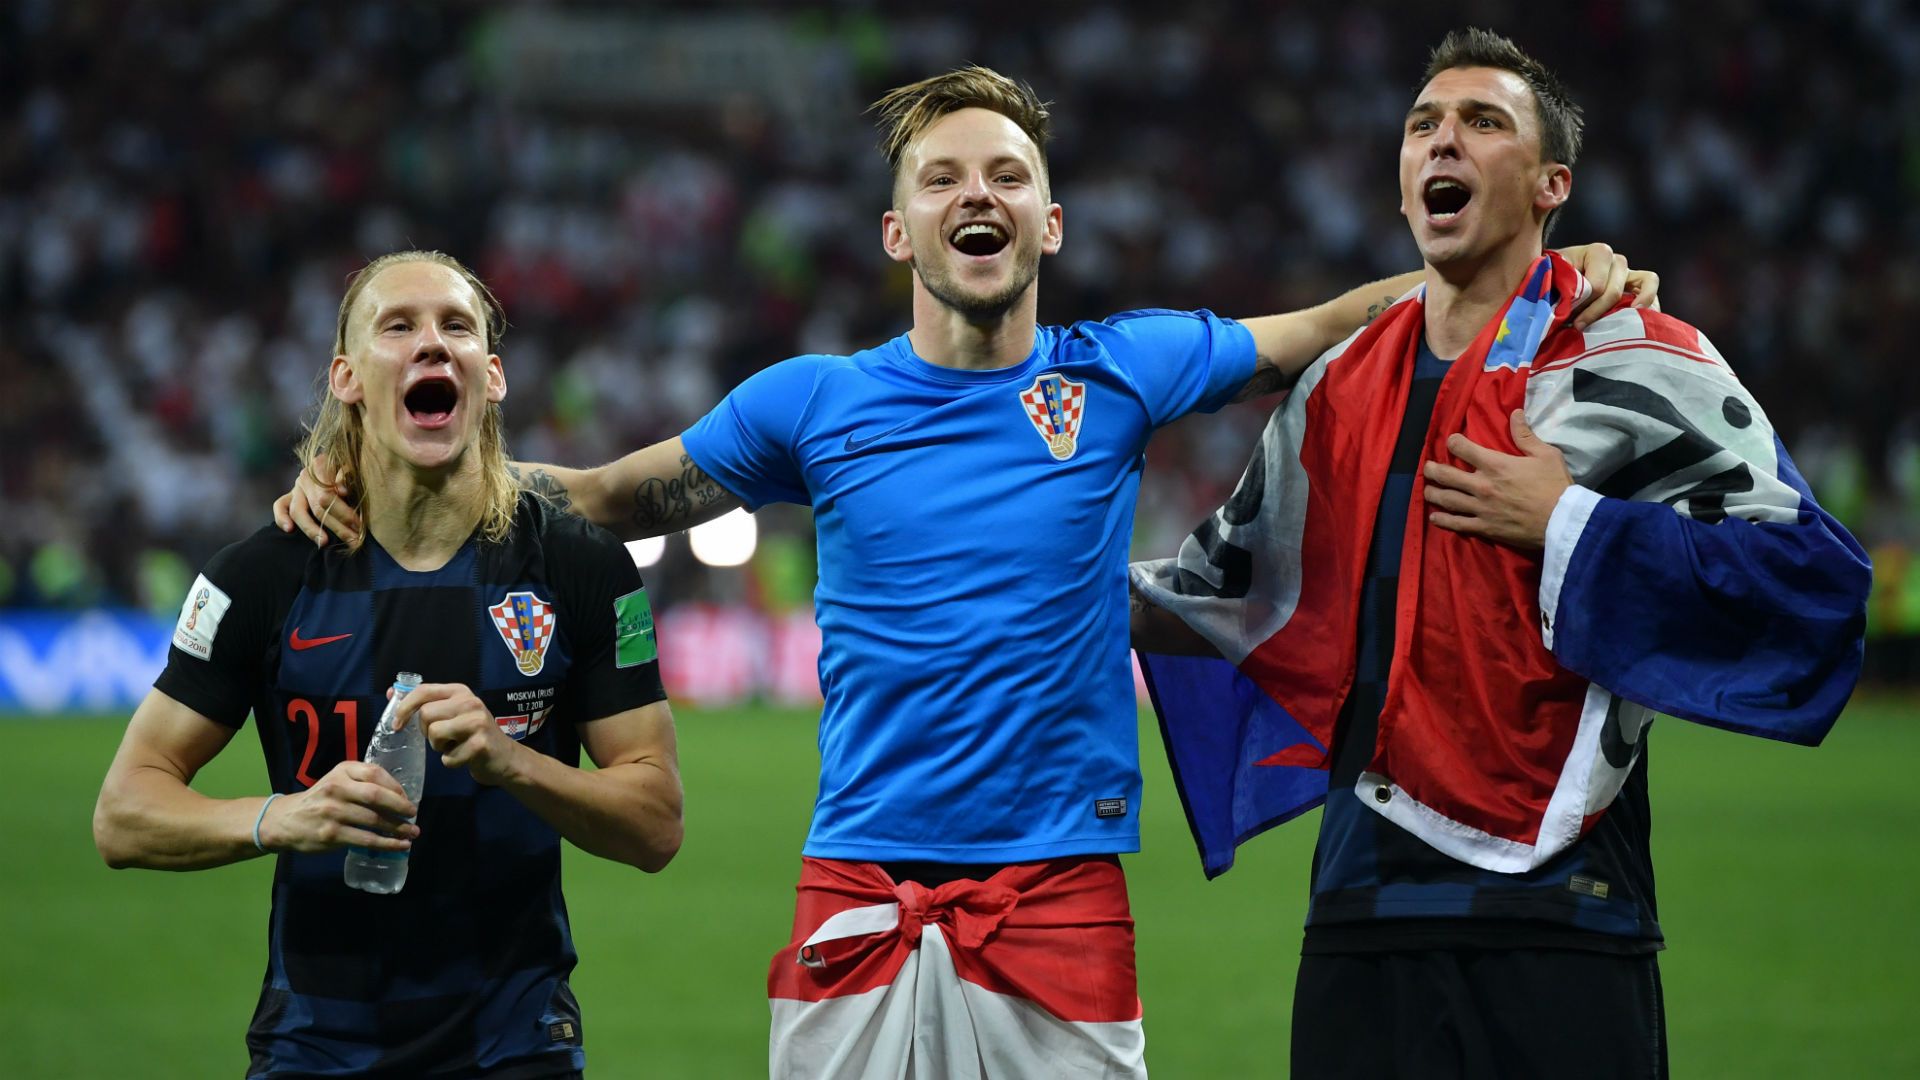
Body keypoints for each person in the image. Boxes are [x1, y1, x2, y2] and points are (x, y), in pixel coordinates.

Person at [278, 69, 1651, 1078]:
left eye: (1004, 176)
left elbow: (1335, 324)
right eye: (940, 178)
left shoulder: (1121, 370)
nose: (973, 194)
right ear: (899, 235)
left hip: (1059, 896)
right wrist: (361, 471)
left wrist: (1543, 266)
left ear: (1048, 226)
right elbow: (595, 496)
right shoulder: (811, 404)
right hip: (857, 891)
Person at [1130, 29, 1871, 1079]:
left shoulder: (1639, 359)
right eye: (1423, 124)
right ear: (1400, 186)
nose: (1445, 140)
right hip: (1361, 908)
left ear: (1549, 184)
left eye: (1484, 123)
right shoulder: (1337, 387)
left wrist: (1570, 522)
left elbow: (1818, 587)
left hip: (1565, 912)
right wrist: (1026, 575)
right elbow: (1221, 594)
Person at [95, 251, 684, 1080]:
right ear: (347, 377)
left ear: (494, 375)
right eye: (397, 326)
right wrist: (282, 819)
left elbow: (656, 822)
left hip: (515, 1048)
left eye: (457, 327)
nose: (431, 345)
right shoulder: (267, 573)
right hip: (315, 1047)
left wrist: (512, 761)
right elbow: (123, 812)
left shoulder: (578, 569)